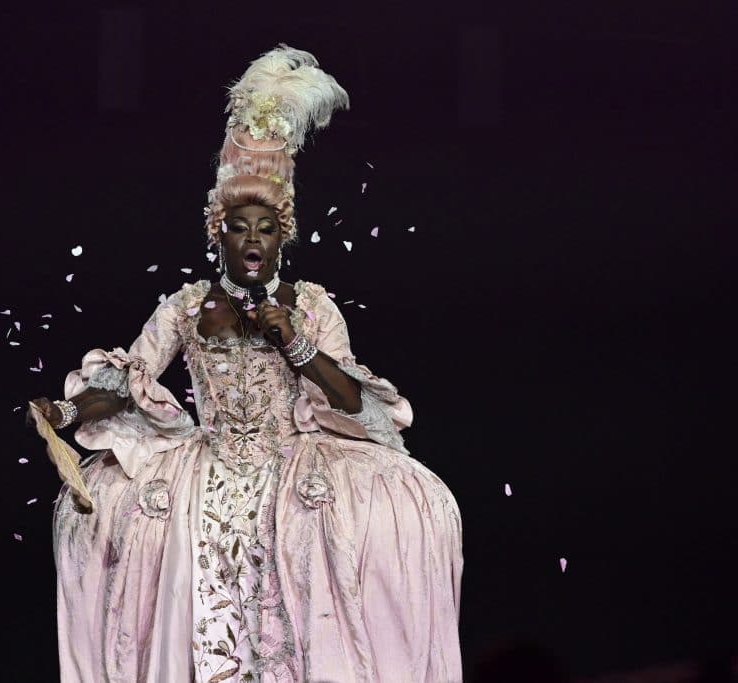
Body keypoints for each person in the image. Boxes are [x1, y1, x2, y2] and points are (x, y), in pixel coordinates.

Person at [28, 44, 464, 682]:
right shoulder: (185, 306)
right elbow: (126, 383)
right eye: (239, 226)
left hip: (295, 469)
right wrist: (65, 411)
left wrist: (296, 345)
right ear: (220, 233)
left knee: (380, 527)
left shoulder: (310, 305)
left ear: (283, 235)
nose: (252, 238)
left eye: (265, 227)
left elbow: (351, 400)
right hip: (204, 474)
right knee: (115, 530)